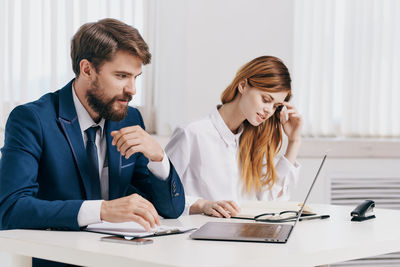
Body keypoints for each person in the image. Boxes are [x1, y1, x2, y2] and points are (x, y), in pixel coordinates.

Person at [0, 18, 184, 236]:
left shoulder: (130, 118)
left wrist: (158, 159)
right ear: (87, 69)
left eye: (136, 77)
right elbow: (10, 208)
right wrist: (102, 210)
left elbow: (171, 210)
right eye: (122, 76)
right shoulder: (33, 119)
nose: (132, 89)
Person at [165, 56, 302, 218]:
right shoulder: (191, 133)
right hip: (201, 236)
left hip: (246, 234)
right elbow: (162, 196)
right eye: (266, 100)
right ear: (243, 85)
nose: (269, 111)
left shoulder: (254, 140)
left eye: (275, 106)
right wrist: (203, 205)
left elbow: (270, 201)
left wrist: (294, 141)